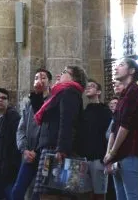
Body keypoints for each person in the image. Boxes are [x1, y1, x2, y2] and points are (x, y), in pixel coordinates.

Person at [32, 65, 86, 200]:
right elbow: (43, 116)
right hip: (52, 147)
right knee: (48, 192)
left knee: (55, 193)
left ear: (73, 78)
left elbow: (67, 120)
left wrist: (61, 148)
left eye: (64, 72)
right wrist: (38, 94)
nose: (59, 75)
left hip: (57, 149)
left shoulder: (70, 92)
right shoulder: (60, 94)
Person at [104, 58, 138, 200]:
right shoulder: (123, 95)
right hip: (119, 154)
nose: (116, 68)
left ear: (131, 71)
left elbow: (126, 125)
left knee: (133, 196)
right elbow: (114, 128)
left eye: (121, 65)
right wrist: (108, 154)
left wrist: (112, 152)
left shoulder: (135, 91)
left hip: (131, 152)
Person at [12, 69, 52, 200]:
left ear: (49, 82)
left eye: (43, 78)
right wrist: (24, 150)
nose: (39, 80)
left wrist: (37, 150)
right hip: (28, 155)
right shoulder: (29, 103)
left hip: (44, 154)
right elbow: (21, 129)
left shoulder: (53, 102)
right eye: (36, 78)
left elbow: (48, 129)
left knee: (38, 195)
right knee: (17, 191)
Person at [79, 79, 112, 200]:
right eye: (86, 87)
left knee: (99, 193)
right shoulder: (83, 112)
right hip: (84, 158)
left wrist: (107, 157)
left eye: (92, 86)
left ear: (98, 92)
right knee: (85, 194)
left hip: (99, 158)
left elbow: (110, 135)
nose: (88, 88)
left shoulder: (105, 111)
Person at [106, 97, 119, 200]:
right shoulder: (107, 118)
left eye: (115, 103)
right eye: (111, 103)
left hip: (116, 154)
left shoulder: (118, 118)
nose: (113, 105)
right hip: (108, 154)